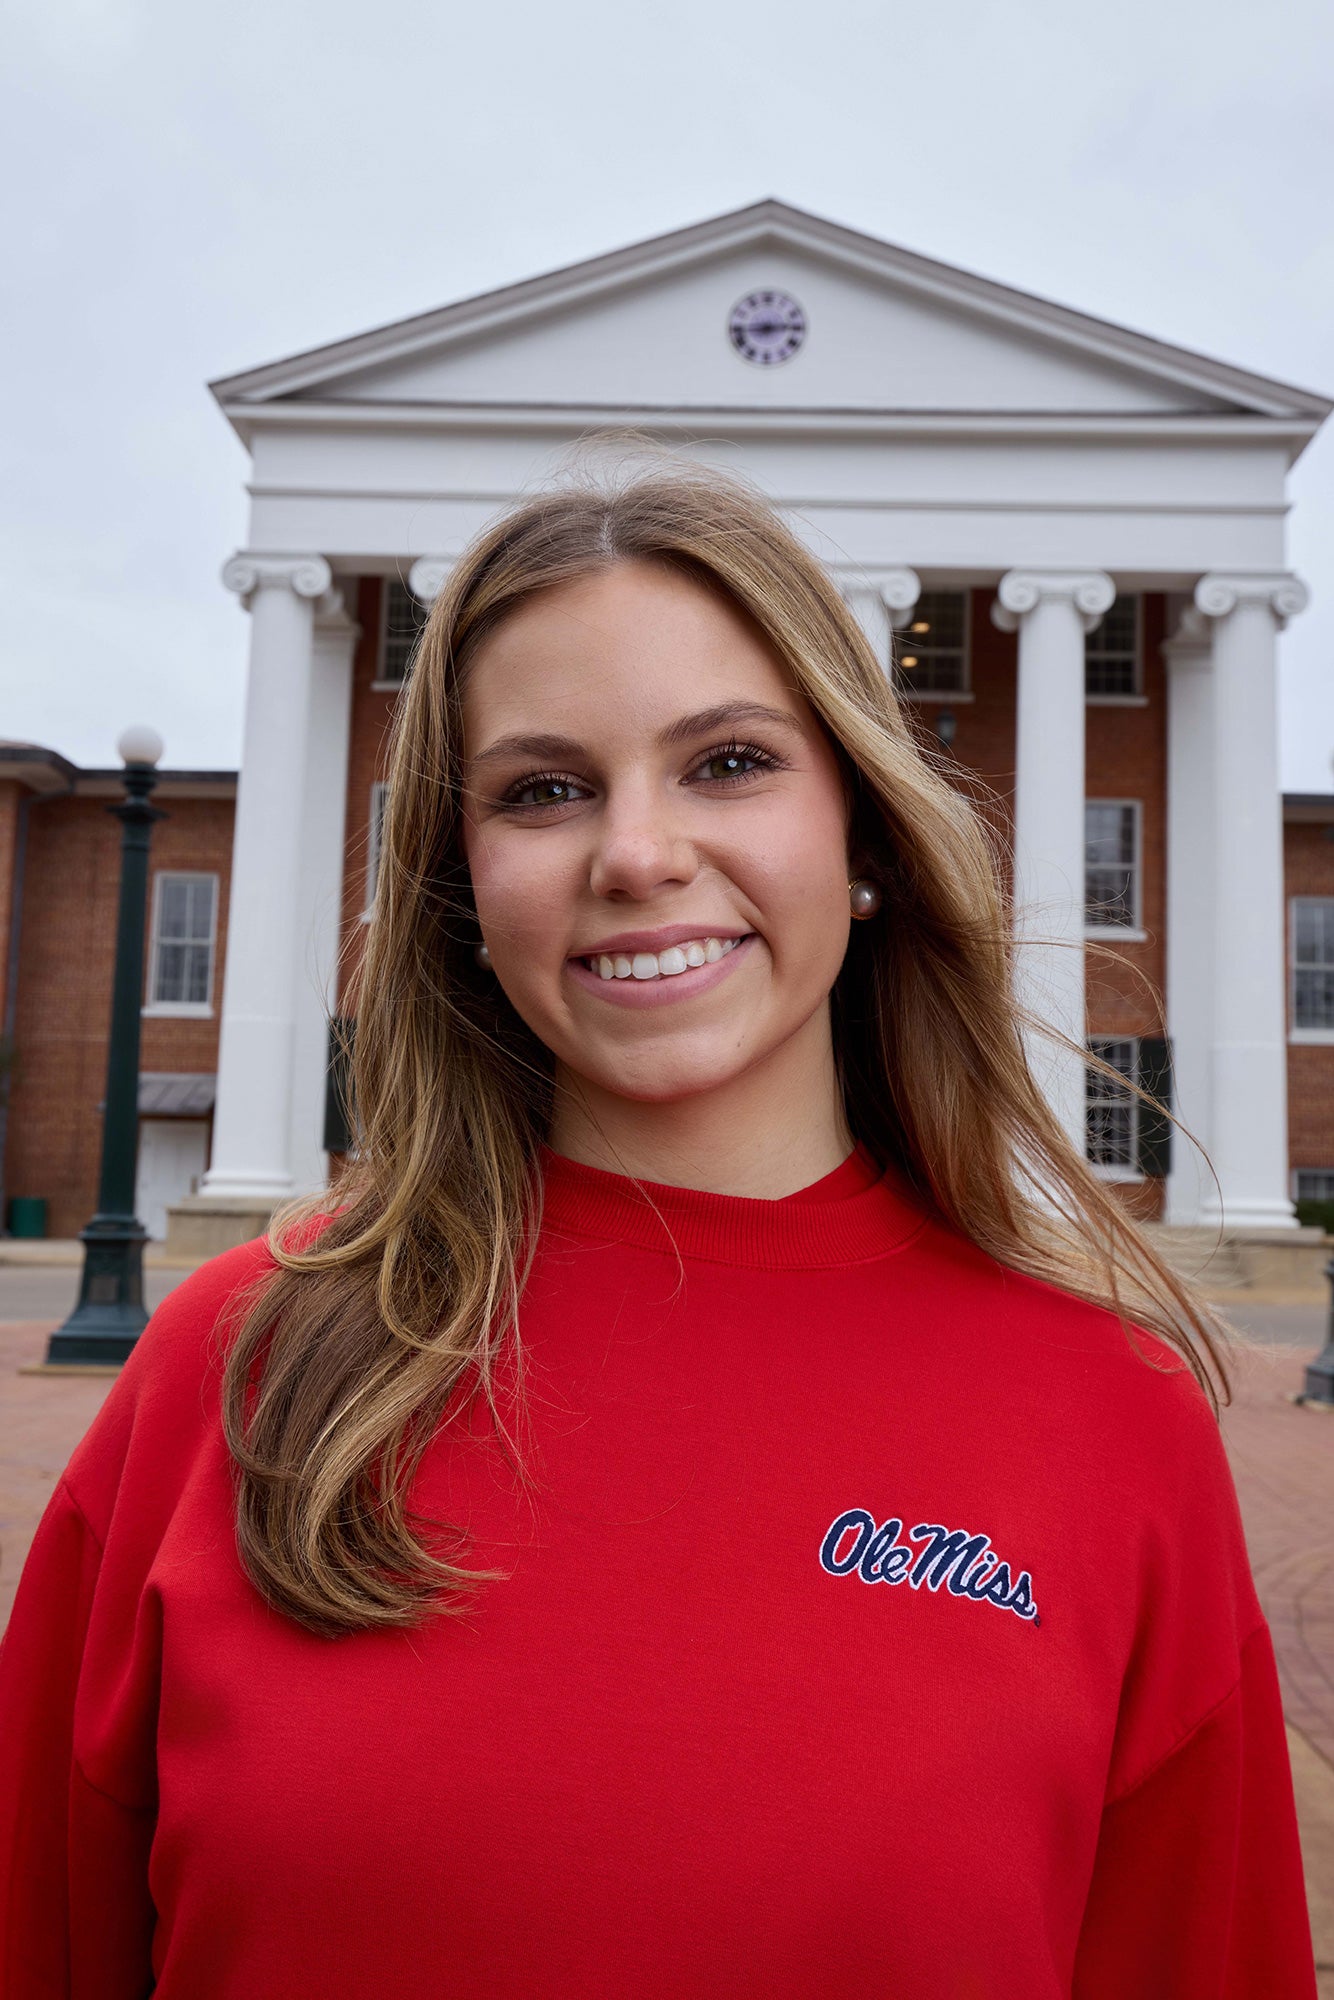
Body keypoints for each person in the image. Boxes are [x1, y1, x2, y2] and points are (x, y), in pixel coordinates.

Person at [0, 462, 1316, 1997]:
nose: (635, 854)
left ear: (865, 837)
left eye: (729, 762)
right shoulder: (234, 1365)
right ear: (461, 884)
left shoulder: (1108, 1415)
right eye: (542, 790)